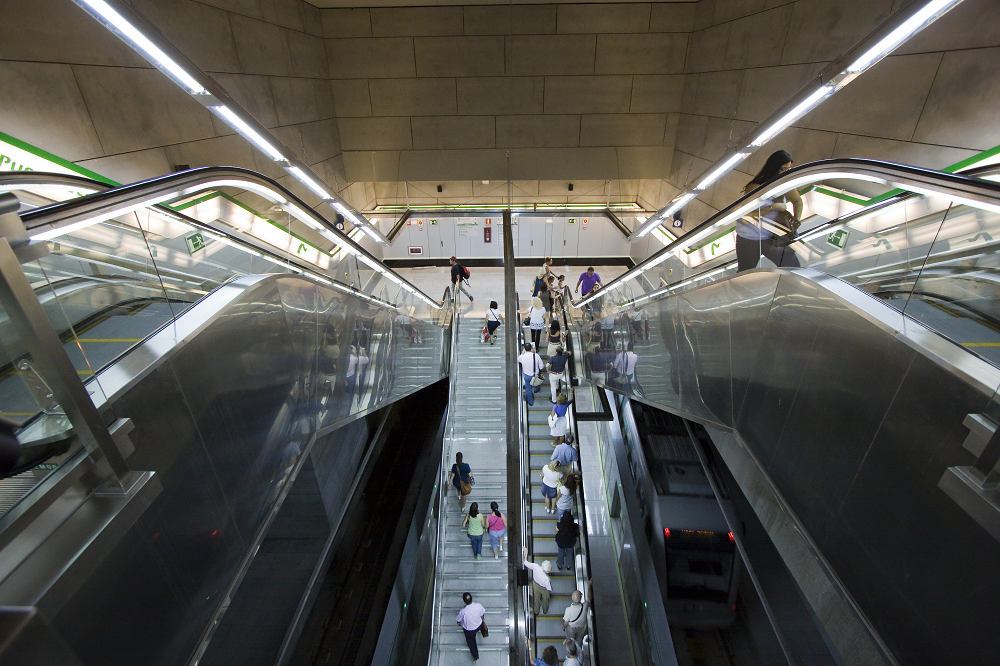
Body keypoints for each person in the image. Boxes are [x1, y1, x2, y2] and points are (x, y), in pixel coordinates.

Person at [736, 149, 802, 272]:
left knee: (793, 266)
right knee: (745, 271)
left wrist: (796, 222)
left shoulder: (784, 183)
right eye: (783, 169)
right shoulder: (755, 188)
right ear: (773, 167)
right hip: (749, 237)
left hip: (771, 237)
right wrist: (774, 207)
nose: (786, 172)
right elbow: (747, 216)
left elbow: (798, 202)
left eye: (788, 169)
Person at [522, 547, 553, 615]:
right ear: (546, 571)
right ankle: (545, 610)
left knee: (536, 599)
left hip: (535, 584)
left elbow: (525, 563)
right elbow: (549, 589)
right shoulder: (546, 579)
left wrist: (526, 553)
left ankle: (536, 611)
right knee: (545, 600)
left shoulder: (536, 566)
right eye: (550, 568)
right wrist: (550, 590)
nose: (551, 568)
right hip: (544, 589)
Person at [456, 592, 486, 661]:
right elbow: (482, 614)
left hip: (469, 630)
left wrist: (459, 623)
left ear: (464, 601)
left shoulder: (463, 611)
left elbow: (458, 620)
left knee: (471, 643)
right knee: (475, 633)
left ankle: (475, 656)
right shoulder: (478, 605)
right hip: (479, 625)